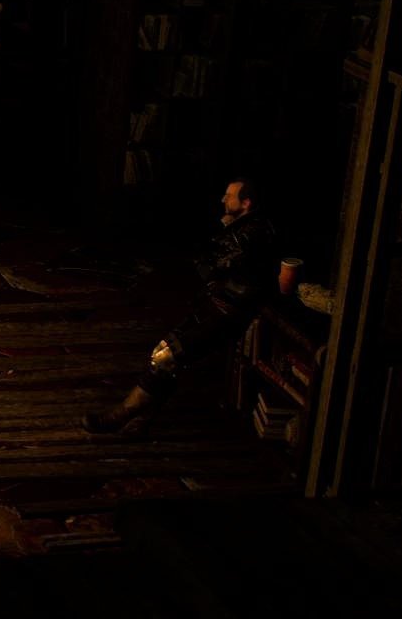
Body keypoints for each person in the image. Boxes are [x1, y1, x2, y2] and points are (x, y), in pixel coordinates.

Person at [83, 177, 278, 437]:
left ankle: (121, 415)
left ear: (246, 203)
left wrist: (221, 235)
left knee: (167, 356)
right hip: (215, 305)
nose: (223, 199)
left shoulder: (251, 233)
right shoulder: (241, 229)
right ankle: (141, 419)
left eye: (229, 195)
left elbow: (211, 265)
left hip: (230, 312)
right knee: (163, 352)